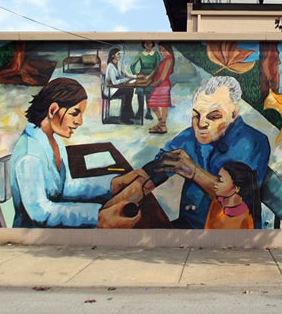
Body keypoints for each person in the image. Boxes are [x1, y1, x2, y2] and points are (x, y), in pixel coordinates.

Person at [110, 76, 271, 229]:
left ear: (234, 114)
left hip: (229, 230)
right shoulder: (188, 137)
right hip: (189, 224)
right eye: (196, 116)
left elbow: (241, 199)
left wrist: (193, 172)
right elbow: (156, 172)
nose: (201, 124)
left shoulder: (253, 143)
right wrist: (111, 207)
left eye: (213, 117)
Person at [9, 77, 139, 228]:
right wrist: (97, 216)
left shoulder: (54, 141)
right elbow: (40, 212)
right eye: (75, 113)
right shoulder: (29, 156)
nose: (80, 121)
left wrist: (112, 184)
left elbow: (67, 187)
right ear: (53, 110)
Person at [205, 161, 259, 230]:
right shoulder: (216, 203)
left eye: (220, 180)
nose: (215, 183)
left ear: (237, 188)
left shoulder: (245, 218)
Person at [146, 43, 175, 134]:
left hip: (163, 85)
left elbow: (162, 77)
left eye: (161, 49)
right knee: (153, 105)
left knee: (162, 106)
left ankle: (162, 126)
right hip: (160, 85)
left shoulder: (169, 59)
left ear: (165, 48)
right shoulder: (165, 59)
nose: (160, 52)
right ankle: (161, 124)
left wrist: (153, 84)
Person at [104, 47, 137, 124]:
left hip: (117, 88)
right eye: (118, 54)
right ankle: (126, 117)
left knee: (130, 90)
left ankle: (128, 114)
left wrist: (137, 76)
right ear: (113, 55)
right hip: (110, 90)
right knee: (128, 91)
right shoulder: (110, 66)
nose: (120, 55)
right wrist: (125, 80)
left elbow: (126, 74)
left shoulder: (119, 64)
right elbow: (114, 82)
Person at [129, 40, 161, 120]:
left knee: (149, 95)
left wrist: (151, 75)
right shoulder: (141, 54)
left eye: (150, 43)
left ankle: (148, 113)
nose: (148, 44)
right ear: (143, 44)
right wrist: (137, 74)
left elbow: (158, 67)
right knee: (140, 93)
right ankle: (140, 112)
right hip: (142, 78)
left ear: (152, 44)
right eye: (146, 43)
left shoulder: (156, 54)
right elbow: (132, 66)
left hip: (152, 77)